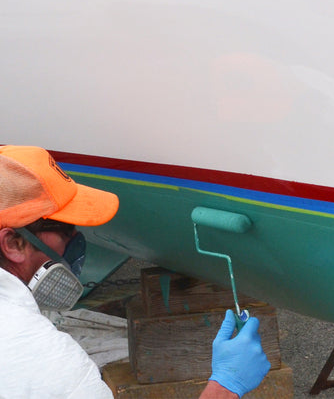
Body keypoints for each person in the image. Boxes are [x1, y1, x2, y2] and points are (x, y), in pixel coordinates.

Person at [0, 145, 270, 398]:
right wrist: (225, 386)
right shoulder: (40, 360)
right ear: (13, 243)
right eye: (65, 230)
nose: (76, 240)